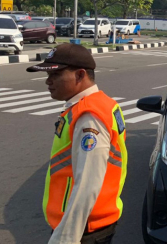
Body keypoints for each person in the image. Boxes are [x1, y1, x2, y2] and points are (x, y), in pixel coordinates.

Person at [27, 44, 128, 244]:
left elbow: (88, 185)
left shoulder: (89, 116)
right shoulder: (103, 104)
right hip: (94, 221)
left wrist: (65, 238)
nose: (48, 81)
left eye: (55, 75)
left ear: (80, 75)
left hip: (83, 229)